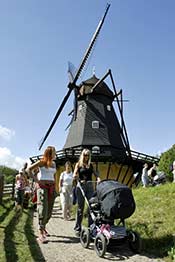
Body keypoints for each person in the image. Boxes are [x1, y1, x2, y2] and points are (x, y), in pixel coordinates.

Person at [27, 146, 57, 243]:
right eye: (54, 152)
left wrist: (55, 185)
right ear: (49, 153)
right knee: (43, 209)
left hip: (51, 187)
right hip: (42, 187)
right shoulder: (42, 162)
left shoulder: (54, 163)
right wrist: (37, 181)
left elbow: (54, 175)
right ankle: (41, 233)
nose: (55, 153)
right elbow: (28, 169)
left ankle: (43, 227)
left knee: (49, 211)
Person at [73, 148, 101, 236]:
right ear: (82, 155)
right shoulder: (78, 164)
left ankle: (91, 227)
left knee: (91, 207)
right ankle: (77, 228)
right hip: (81, 186)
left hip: (89, 186)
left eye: (88, 155)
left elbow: (95, 174)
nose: (86, 157)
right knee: (80, 208)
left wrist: (98, 178)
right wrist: (76, 177)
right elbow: (75, 174)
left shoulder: (90, 165)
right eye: (85, 155)